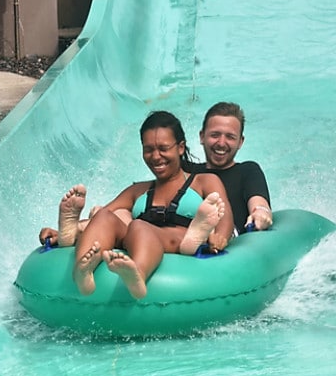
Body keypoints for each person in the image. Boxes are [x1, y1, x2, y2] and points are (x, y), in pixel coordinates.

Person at [40, 111, 234, 299]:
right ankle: (82, 271)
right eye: (148, 149)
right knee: (105, 217)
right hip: (137, 237)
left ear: (180, 147)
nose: (156, 156)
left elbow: (224, 216)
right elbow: (102, 216)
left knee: (139, 225)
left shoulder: (204, 181)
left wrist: (221, 238)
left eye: (163, 148)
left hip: (180, 240)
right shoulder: (139, 190)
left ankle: (137, 274)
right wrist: (68, 232)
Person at [186, 102, 273, 233]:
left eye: (230, 137)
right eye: (215, 135)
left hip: (233, 245)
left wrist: (261, 212)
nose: (221, 143)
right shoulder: (186, 171)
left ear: (240, 142)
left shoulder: (248, 171)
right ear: (202, 136)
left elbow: (259, 203)